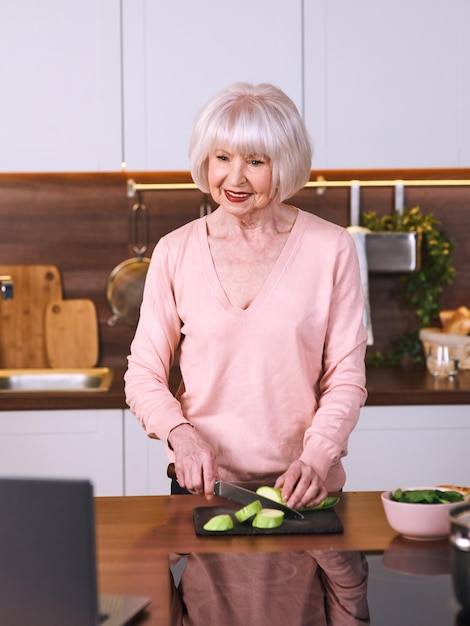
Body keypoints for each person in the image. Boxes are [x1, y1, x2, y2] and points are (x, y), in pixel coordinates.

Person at [125, 82, 367, 510]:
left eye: (255, 161)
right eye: (222, 158)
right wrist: (180, 435)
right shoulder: (174, 251)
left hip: (304, 491)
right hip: (203, 489)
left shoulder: (331, 248)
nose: (233, 178)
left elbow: (345, 377)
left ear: (285, 163)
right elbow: (143, 374)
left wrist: (315, 459)